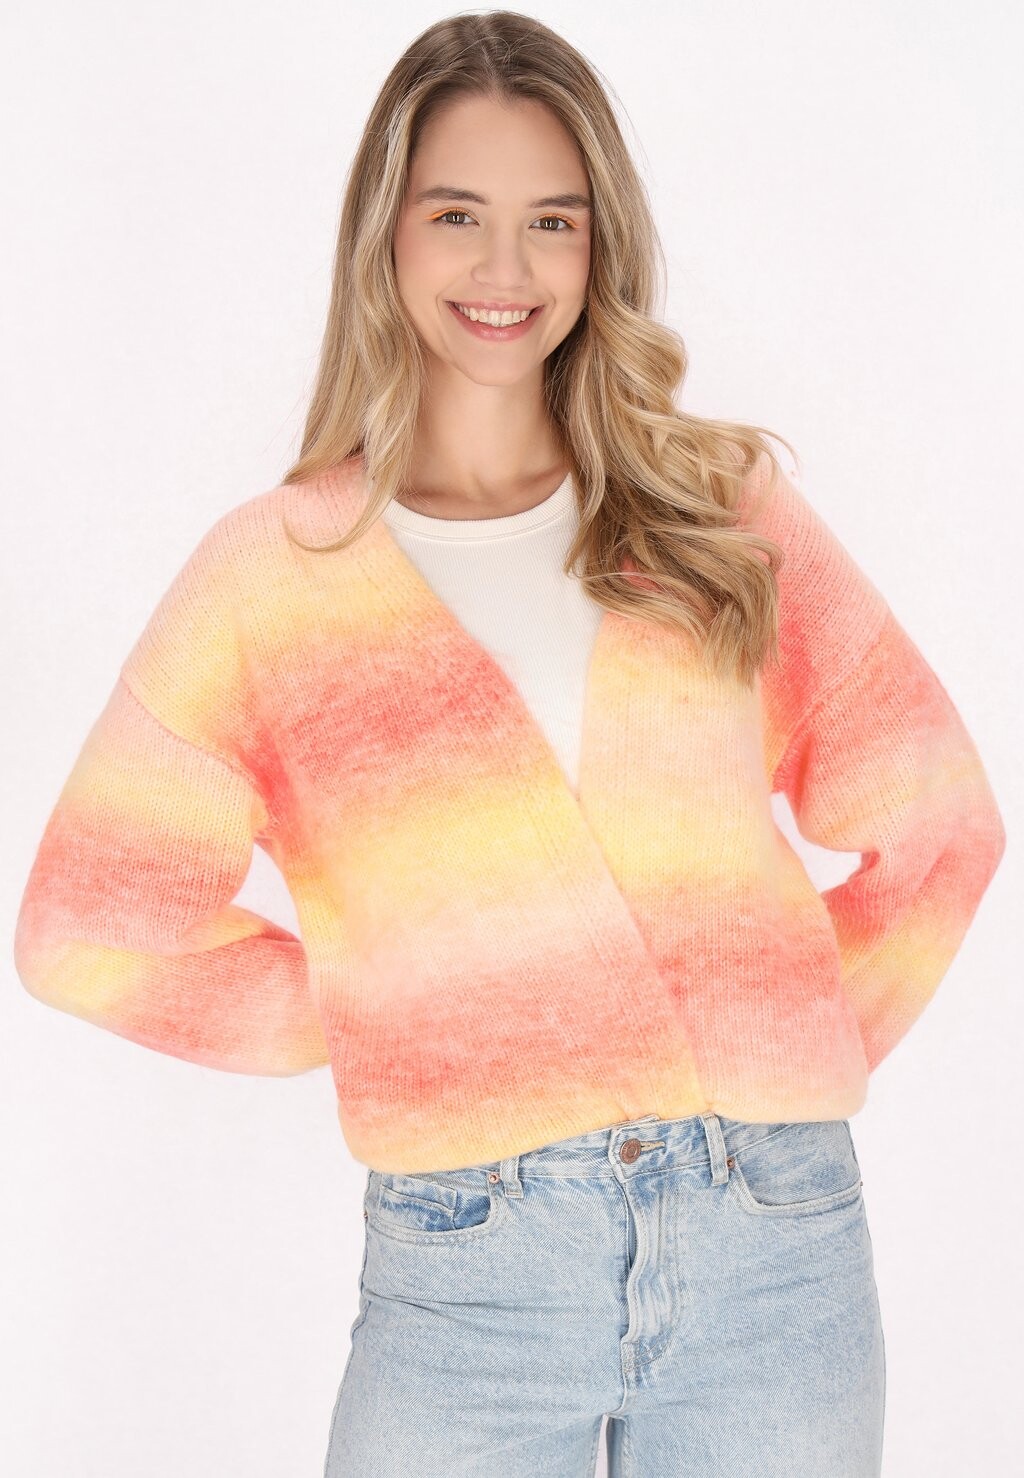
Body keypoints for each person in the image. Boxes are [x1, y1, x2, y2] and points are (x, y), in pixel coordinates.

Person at [14, 12, 1006, 1477]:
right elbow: (87, 927)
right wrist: (398, 1011)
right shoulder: (272, 578)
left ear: (600, 246)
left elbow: (938, 817)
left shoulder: (718, 510)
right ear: (386, 235)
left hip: (773, 1247)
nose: (505, 268)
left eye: (552, 221)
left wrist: (775, 1032)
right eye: (456, 215)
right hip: (469, 1272)